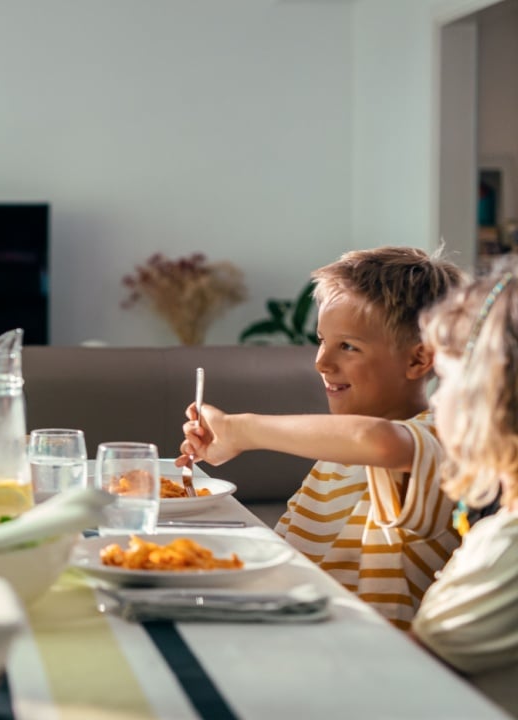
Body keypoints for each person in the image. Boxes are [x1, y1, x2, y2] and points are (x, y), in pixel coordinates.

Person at [180, 247, 465, 628]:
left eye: (348, 346)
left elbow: (379, 441)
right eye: (322, 340)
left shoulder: (443, 439)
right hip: (297, 631)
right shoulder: (335, 450)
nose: (321, 362)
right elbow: (292, 555)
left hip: (375, 658)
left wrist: (238, 430)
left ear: (418, 359)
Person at [411, 265, 518, 714]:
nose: (434, 399)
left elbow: (402, 679)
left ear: (488, 395)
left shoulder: (505, 550)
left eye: (446, 378)